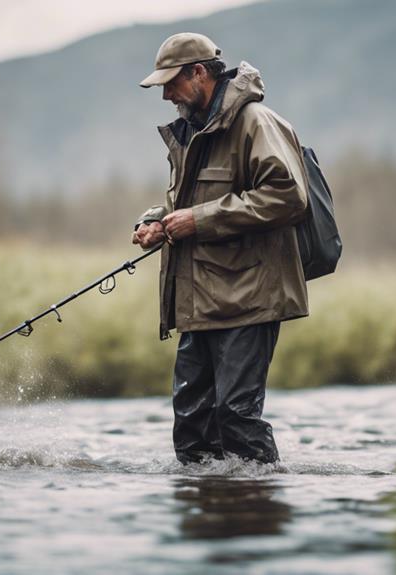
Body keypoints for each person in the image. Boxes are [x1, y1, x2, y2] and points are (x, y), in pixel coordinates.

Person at [131, 32, 310, 465]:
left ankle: (256, 516)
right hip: (201, 301)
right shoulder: (193, 131)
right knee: (190, 427)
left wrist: (199, 220)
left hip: (249, 298)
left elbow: (288, 195)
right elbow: (186, 205)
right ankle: (204, 516)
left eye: (170, 83)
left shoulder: (256, 123)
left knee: (236, 419)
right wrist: (157, 222)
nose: (166, 95)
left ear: (198, 73)